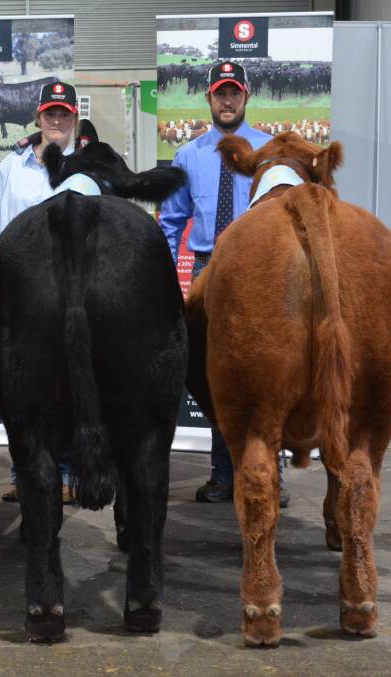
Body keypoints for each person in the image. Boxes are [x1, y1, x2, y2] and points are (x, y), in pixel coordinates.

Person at [158, 61, 289, 509]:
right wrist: (161, 280)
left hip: (263, 271)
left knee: (271, 373)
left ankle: (272, 476)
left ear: (246, 97)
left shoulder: (271, 151)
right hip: (209, 270)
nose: (227, 100)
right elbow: (171, 222)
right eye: (220, 93)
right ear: (208, 99)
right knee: (218, 376)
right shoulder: (188, 156)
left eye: (234, 93)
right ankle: (222, 473)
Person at [0, 80, 80, 504]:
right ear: (38, 116)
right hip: (19, 293)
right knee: (20, 386)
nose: (56, 120)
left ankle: (65, 473)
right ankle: (23, 472)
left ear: (74, 118)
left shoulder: (87, 167)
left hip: (72, 292)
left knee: (69, 384)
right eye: (50, 113)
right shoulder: (11, 165)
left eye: (64, 113)